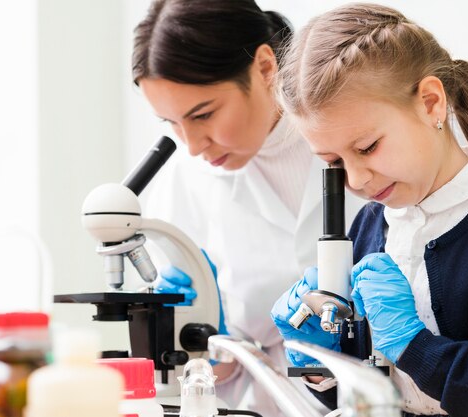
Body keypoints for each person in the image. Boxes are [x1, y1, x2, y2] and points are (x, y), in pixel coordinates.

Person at [271, 3, 468, 417]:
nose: (355, 181)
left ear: (431, 103)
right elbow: (374, 397)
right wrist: (321, 365)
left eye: (367, 148)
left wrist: (417, 348)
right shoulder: (370, 226)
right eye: (334, 162)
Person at [131, 1, 366, 415]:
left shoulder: (362, 137)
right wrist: (199, 342)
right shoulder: (185, 179)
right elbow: (209, 377)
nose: (191, 145)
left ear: (263, 67)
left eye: (203, 114)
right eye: (169, 122)